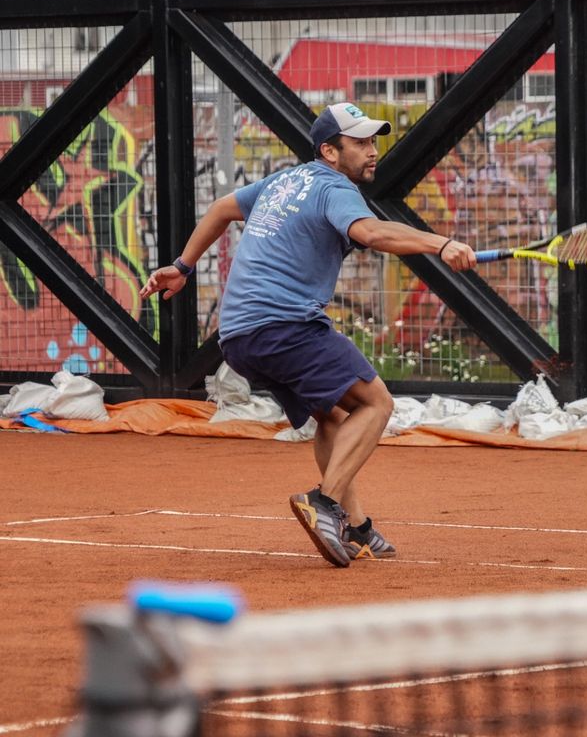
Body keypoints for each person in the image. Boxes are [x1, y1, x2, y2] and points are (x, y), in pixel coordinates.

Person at [140, 102, 477, 568]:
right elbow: (373, 233)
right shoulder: (334, 189)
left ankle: (355, 528)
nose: (372, 151)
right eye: (359, 142)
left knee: (332, 416)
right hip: (283, 325)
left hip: (238, 336)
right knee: (376, 403)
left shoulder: (283, 181)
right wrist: (440, 243)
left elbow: (220, 208)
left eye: (372, 141)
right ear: (330, 151)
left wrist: (182, 267)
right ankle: (325, 502)